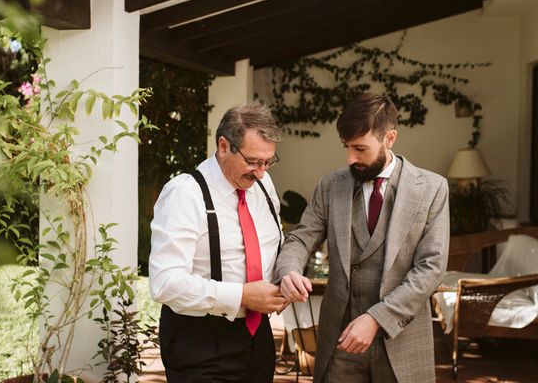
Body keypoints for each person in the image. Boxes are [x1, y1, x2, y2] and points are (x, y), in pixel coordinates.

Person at [275, 93, 449, 383]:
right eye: (346, 147)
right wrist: (289, 270)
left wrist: (376, 318)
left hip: (402, 341)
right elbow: (301, 238)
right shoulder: (330, 186)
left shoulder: (431, 188)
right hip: (340, 342)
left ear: (389, 138)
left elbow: (431, 268)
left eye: (360, 148)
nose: (350, 158)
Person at [149, 102, 287, 383]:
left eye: (267, 162)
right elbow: (165, 283)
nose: (260, 172)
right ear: (224, 146)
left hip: (257, 336)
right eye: (252, 161)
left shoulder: (263, 184)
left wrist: (285, 279)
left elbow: (275, 242)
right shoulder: (185, 194)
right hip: (200, 342)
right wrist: (242, 296)